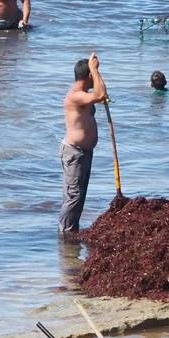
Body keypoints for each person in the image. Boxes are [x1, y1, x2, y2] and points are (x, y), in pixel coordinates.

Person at [59, 54, 106, 234]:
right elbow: (100, 94)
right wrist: (93, 69)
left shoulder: (85, 95)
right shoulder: (75, 96)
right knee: (73, 197)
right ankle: (65, 235)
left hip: (84, 153)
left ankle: (72, 232)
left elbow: (102, 95)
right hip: (74, 153)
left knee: (80, 197)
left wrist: (95, 71)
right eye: (93, 75)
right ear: (88, 77)